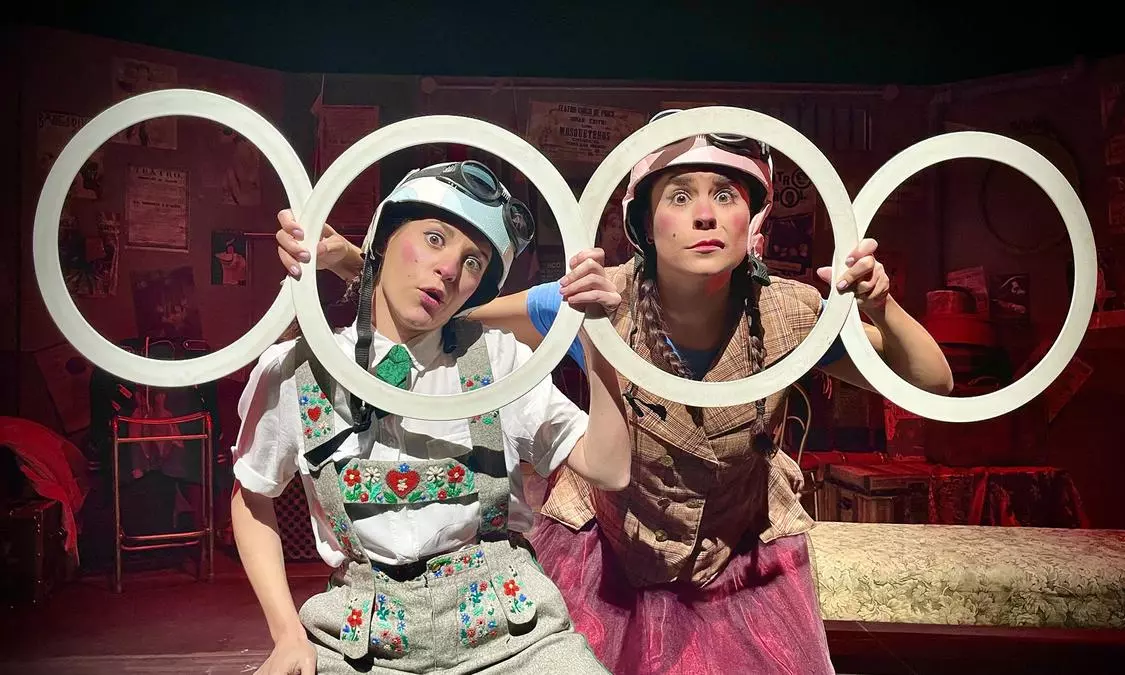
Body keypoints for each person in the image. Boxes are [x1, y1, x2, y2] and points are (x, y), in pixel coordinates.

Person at [277, 113, 953, 674]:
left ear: (754, 219)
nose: (705, 215)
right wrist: (357, 262)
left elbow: (933, 381)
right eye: (679, 196)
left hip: (737, 559)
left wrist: (883, 306)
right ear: (644, 222)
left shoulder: (788, 314)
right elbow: (451, 311)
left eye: (726, 194)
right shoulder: (592, 301)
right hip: (612, 551)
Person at [234, 159, 629, 674]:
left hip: (513, 635)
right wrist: (286, 634)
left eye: (473, 262)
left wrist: (598, 339)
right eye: (435, 238)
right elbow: (252, 495)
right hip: (360, 642)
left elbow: (609, 469)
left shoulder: (500, 363)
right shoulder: (297, 371)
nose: (449, 269)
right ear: (383, 239)